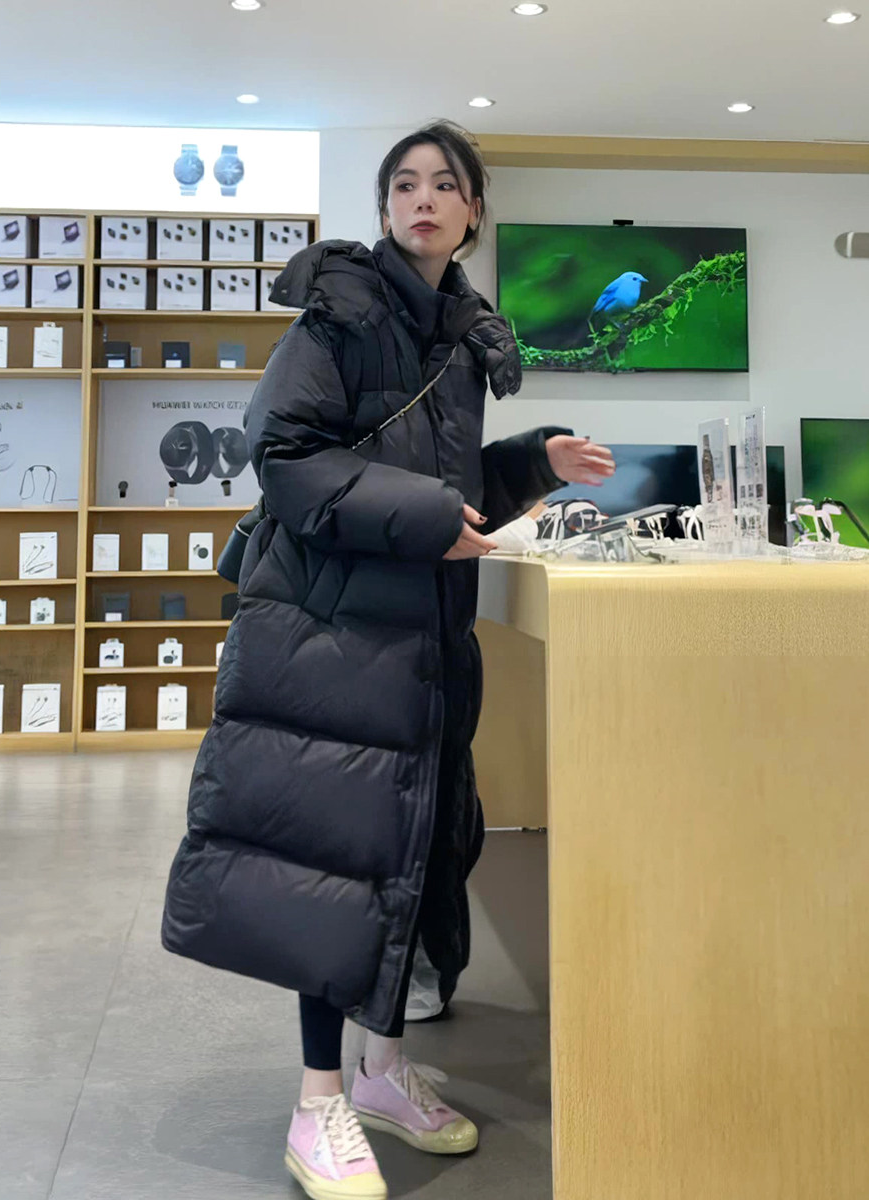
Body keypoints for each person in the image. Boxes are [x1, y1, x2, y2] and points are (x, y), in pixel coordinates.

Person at [162, 119, 615, 1200]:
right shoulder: (340, 312)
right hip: (330, 630)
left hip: (421, 631)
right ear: (383, 208)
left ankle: (381, 1073)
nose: (423, 198)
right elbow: (285, 455)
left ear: (472, 213)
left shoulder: (460, 336)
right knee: (338, 859)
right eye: (404, 183)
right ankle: (317, 1103)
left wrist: (530, 461)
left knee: (408, 852)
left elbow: (433, 482)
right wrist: (424, 516)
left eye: (445, 184)